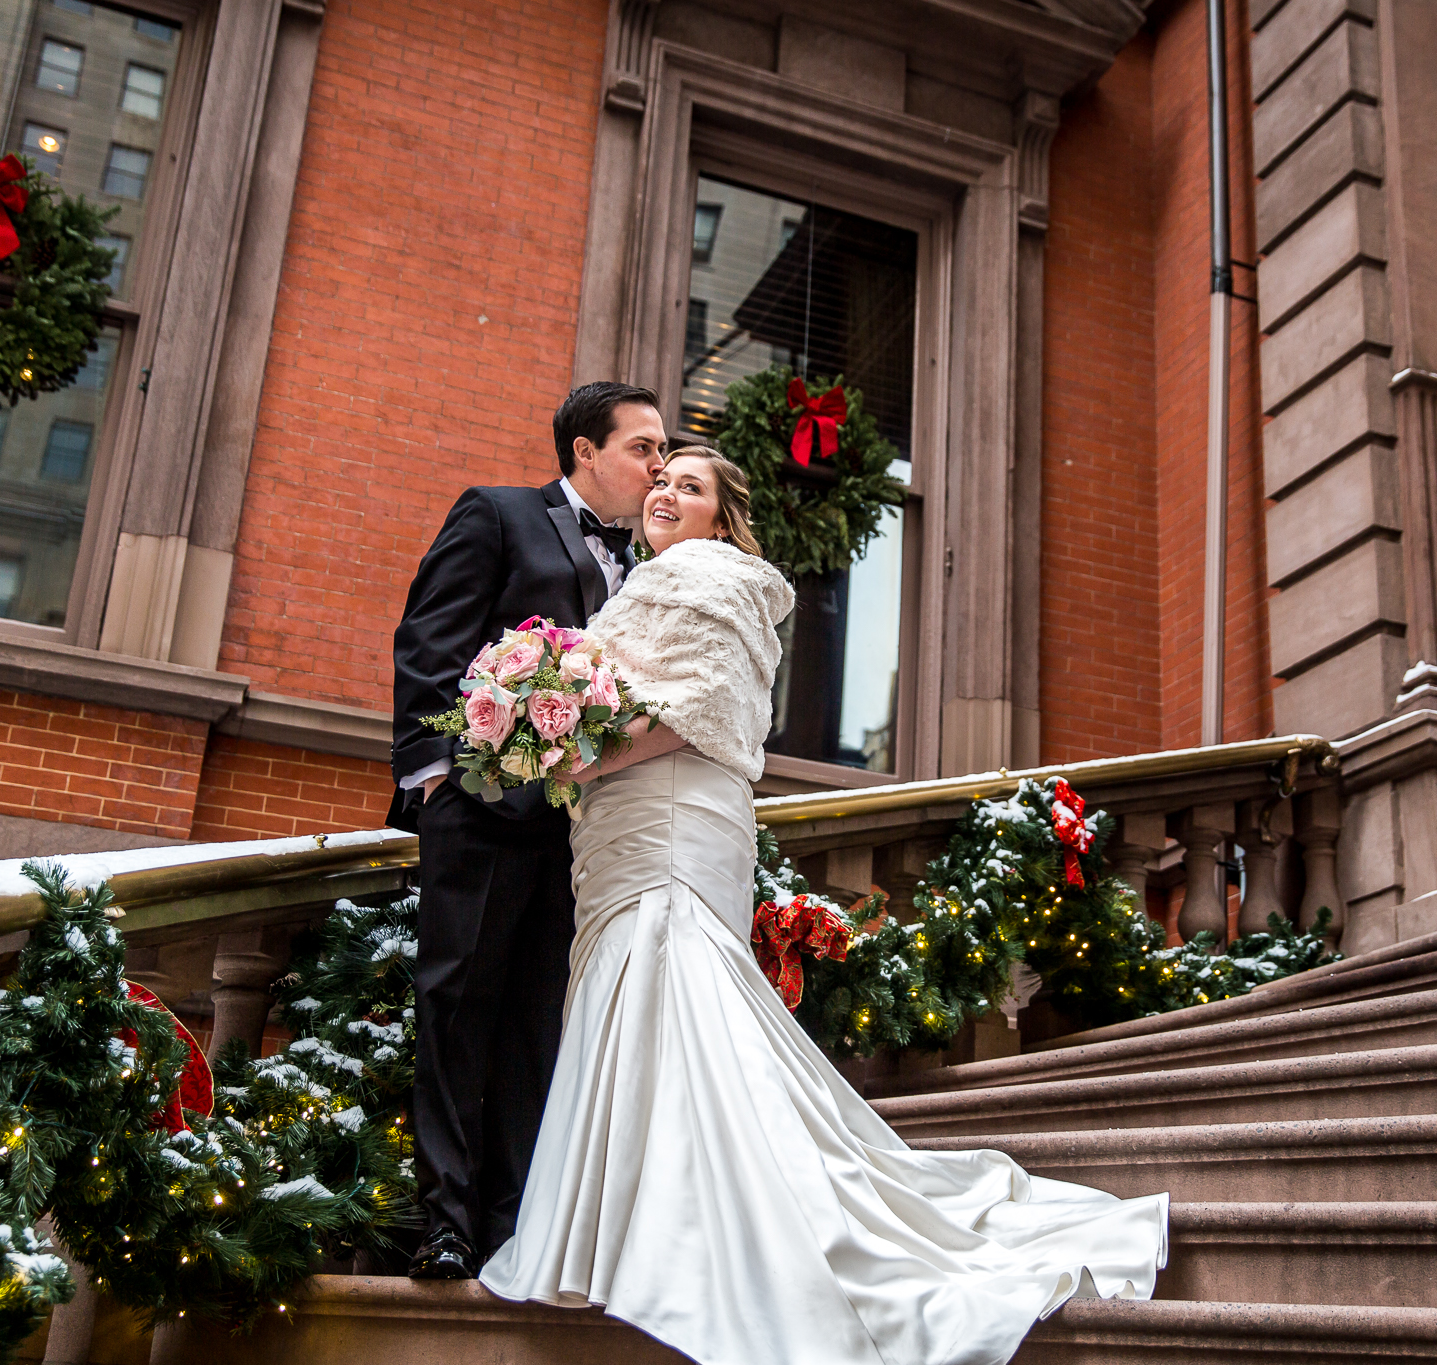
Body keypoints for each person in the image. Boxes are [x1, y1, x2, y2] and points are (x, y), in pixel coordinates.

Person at [478, 446, 1168, 1365]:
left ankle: (688, 1235)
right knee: (646, 1000)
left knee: (674, 988)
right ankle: (638, 1228)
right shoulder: (656, 580)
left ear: (723, 517)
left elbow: (699, 708)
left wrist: (576, 755)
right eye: (663, 479)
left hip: (672, 818)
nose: (667, 491)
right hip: (627, 826)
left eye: (691, 485)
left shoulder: (714, 576)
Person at [388, 382, 666, 1280]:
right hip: (484, 812)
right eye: (643, 447)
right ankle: (444, 1221)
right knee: (457, 1008)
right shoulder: (499, 514)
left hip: (585, 834)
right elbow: (431, 640)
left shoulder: (654, 563)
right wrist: (438, 780)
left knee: (541, 1024)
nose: (658, 466)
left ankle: (515, 1228)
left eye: (664, 451)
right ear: (586, 450)